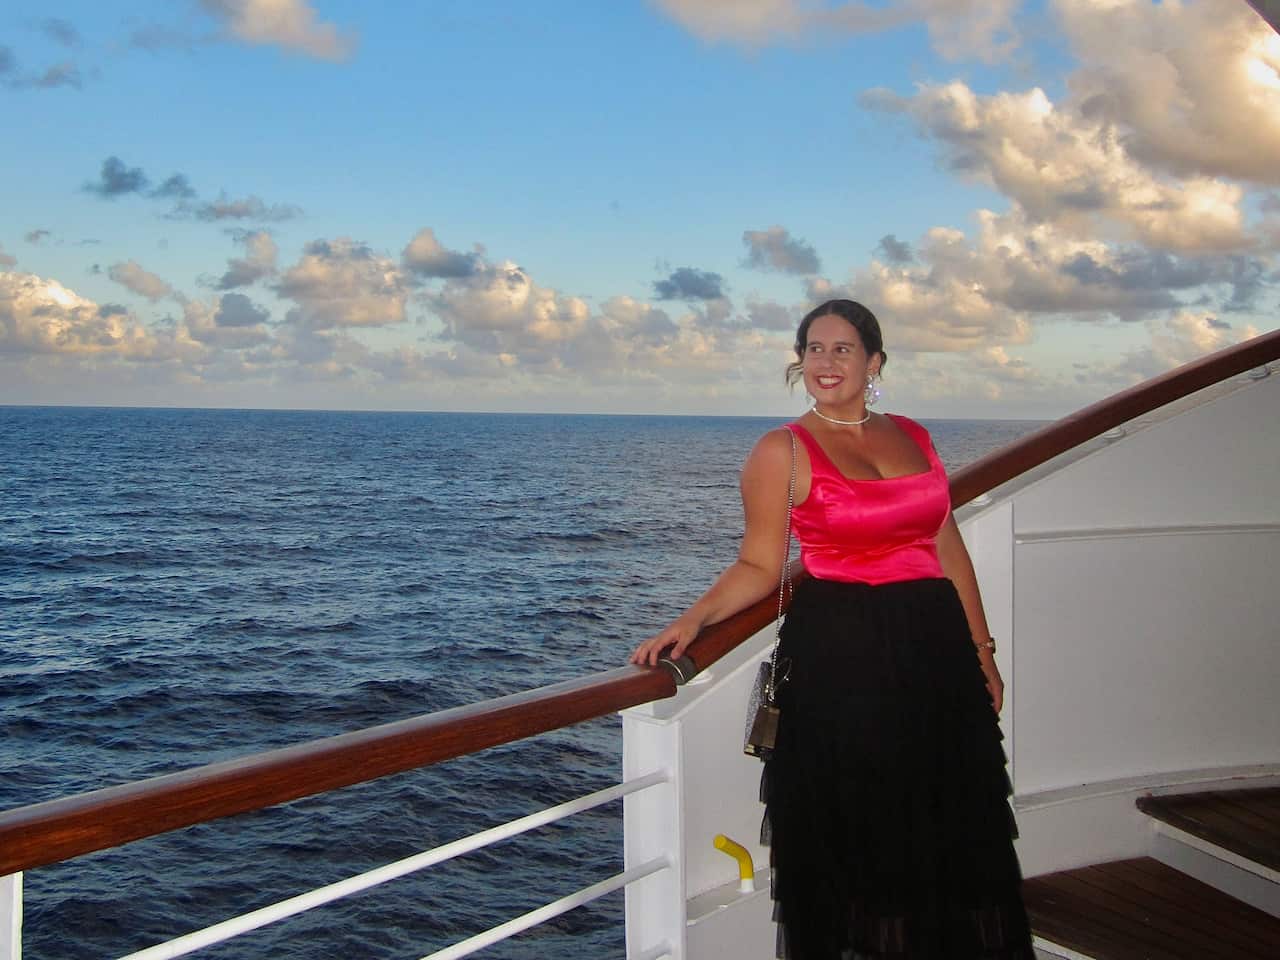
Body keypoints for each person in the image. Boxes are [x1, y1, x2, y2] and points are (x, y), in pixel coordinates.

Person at [631, 299, 1034, 959]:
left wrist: (982, 652)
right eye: (813, 348)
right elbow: (760, 563)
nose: (825, 361)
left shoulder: (914, 435)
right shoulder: (781, 451)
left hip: (936, 654)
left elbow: (946, 546)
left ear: (874, 362)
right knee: (862, 833)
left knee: (952, 826)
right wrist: (692, 620)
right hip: (843, 660)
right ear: (799, 361)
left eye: (842, 348)